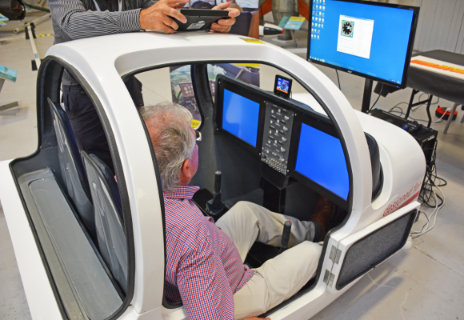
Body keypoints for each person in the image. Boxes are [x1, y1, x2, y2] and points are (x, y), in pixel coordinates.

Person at [141, 103, 324, 320]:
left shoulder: (132, 185)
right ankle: (324, 239)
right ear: (187, 168)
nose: (198, 142)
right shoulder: (191, 232)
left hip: (209, 261)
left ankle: (315, 228)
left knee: (245, 211)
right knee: (314, 252)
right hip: (232, 291)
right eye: (196, 139)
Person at [48, 0, 240, 169]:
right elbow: (72, 22)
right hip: (84, 89)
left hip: (125, 79)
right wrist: (140, 18)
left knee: (138, 153)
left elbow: (158, 12)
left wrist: (205, 21)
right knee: (98, 165)